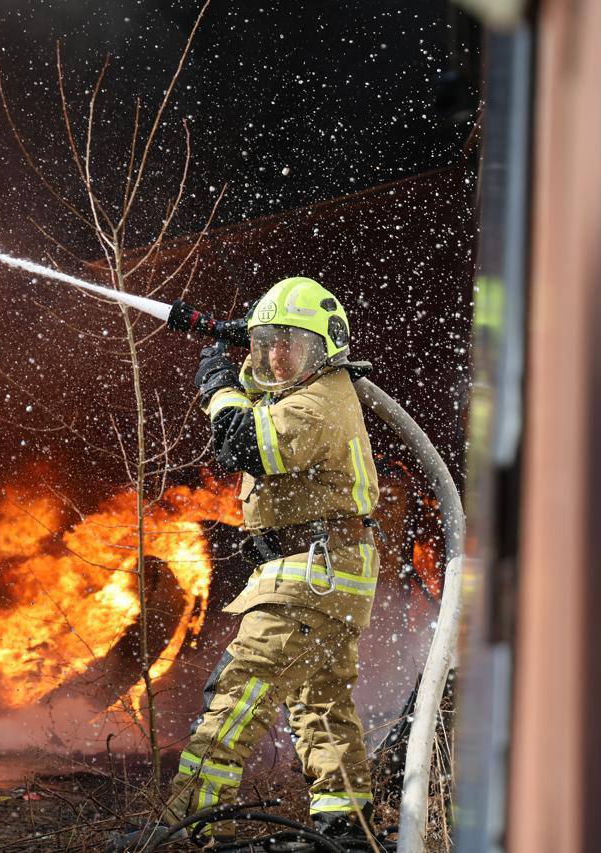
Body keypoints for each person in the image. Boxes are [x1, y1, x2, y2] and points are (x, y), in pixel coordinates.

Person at [167, 276, 381, 840]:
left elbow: (245, 444)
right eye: (267, 344)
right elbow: (259, 397)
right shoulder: (309, 390)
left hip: (311, 574)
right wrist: (234, 347)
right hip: (328, 571)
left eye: (291, 344)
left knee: (239, 695)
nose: (277, 357)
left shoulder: (317, 403)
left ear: (325, 348)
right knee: (321, 703)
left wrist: (217, 386)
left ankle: (189, 828)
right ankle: (346, 826)